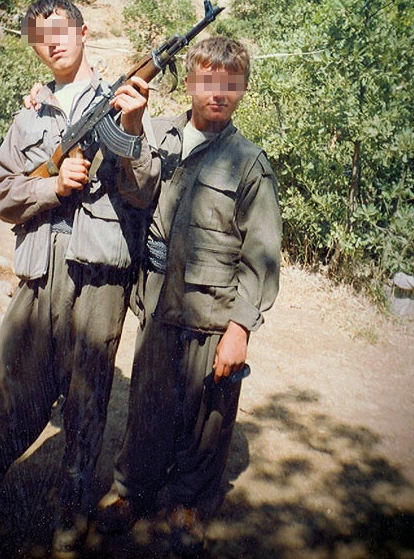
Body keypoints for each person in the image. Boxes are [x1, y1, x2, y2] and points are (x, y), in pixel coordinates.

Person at [0, 0, 159, 554]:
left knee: (87, 398)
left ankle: (70, 511)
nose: (51, 43)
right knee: (12, 389)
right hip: (39, 274)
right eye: (38, 36)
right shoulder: (30, 115)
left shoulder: (124, 99)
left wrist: (134, 124)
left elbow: (144, 191)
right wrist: (51, 185)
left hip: (98, 278)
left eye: (59, 31)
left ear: (82, 31)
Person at [96, 36, 282, 556]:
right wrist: (132, 129)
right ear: (192, 82)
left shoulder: (249, 163)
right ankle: (131, 491)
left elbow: (262, 255)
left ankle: (189, 504)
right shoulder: (160, 137)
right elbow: (134, 194)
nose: (218, 93)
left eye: (231, 84)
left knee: (210, 420)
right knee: (148, 406)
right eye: (208, 81)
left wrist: (241, 329)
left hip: (215, 316)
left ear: (243, 89)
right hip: (158, 307)